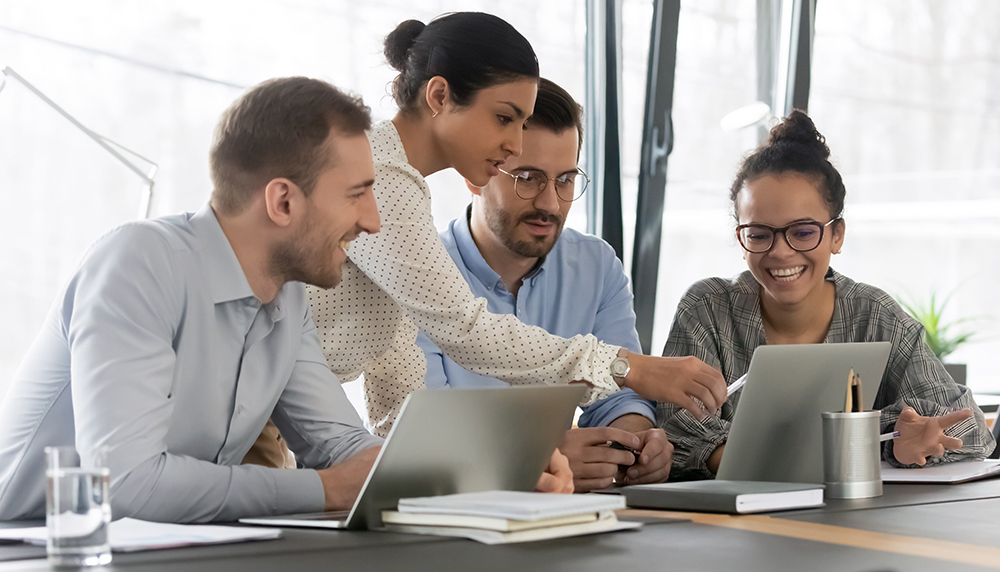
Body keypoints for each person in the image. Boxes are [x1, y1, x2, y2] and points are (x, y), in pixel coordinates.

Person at [304, 12, 726, 439]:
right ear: (439, 96)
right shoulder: (381, 178)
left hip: (282, 419)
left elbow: (396, 377)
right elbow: (464, 330)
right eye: (505, 118)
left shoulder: (402, 189)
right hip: (251, 414)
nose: (515, 144)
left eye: (522, 124)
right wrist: (628, 367)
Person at [0, 78, 376, 522]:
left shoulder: (287, 295)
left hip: (159, 547)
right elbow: (127, 483)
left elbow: (345, 450)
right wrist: (324, 489)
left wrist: (424, 474)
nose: (372, 221)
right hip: (36, 548)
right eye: (357, 195)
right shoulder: (139, 263)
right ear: (282, 202)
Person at [658, 110, 996, 481]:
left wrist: (904, 440)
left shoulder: (876, 315)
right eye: (758, 234)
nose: (781, 252)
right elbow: (675, 430)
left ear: (837, 235)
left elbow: (971, 430)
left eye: (803, 232)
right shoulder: (707, 309)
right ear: (741, 238)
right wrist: (865, 437)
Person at [415, 79, 670, 492]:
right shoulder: (421, 272)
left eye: (566, 180)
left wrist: (632, 445)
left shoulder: (596, 266)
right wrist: (540, 457)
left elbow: (619, 395)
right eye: (528, 178)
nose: (550, 204)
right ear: (476, 175)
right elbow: (424, 432)